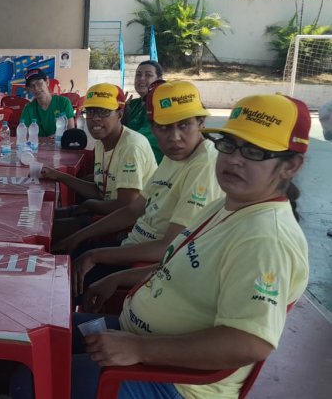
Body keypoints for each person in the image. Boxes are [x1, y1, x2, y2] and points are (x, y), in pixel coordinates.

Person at [70, 93, 310, 399]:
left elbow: (250, 342)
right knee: (45, 334)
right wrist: (115, 278)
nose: (235, 159)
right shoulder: (225, 205)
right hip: (134, 336)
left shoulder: (266, 238)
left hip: (175, 382)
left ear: (290, 166)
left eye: (255, 152)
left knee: (35, 378)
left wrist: (139, 348)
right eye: (229, 144)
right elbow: (178, 265)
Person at [58, 81, 223, 292]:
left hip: (146, 264)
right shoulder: (174, 156)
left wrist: (96, 255)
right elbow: (133, 210)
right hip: (130, 243)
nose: (174, 137)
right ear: (153, 127)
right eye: (164, 127)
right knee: (57, 254)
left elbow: (170, 247)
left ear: (201, 123)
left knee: (61, 281)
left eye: (183, 125)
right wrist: (79, 236)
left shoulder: (204, 164)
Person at [44, 83, 157, 240]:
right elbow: (100, 191)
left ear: (120, 113)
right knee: (44, 217)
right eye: (90, 112)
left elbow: (126, 206)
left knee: (49, 229)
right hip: (107, 211)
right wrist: (59, 176)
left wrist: (90, 205)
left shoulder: (131, 146)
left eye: (103, 112)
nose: (95, 118)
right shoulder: (101, 142)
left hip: (131, 226)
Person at [123, 60, 164, 162]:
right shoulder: (133, 104)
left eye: (148, 75)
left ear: (159, 80)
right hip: (128, 159)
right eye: (138, 75)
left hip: (151, 164)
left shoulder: (160, 105)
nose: (141, 79)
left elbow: (140, 138)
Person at [18, 68, 75, 137]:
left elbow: (71, 131)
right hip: (37, 146)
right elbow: (23, 136)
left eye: (39, 83)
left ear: (47, 82)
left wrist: (58, 136)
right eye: (32, 86)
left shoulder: (63, 102)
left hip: (60, 145)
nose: (36, 88)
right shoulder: (28, 109)